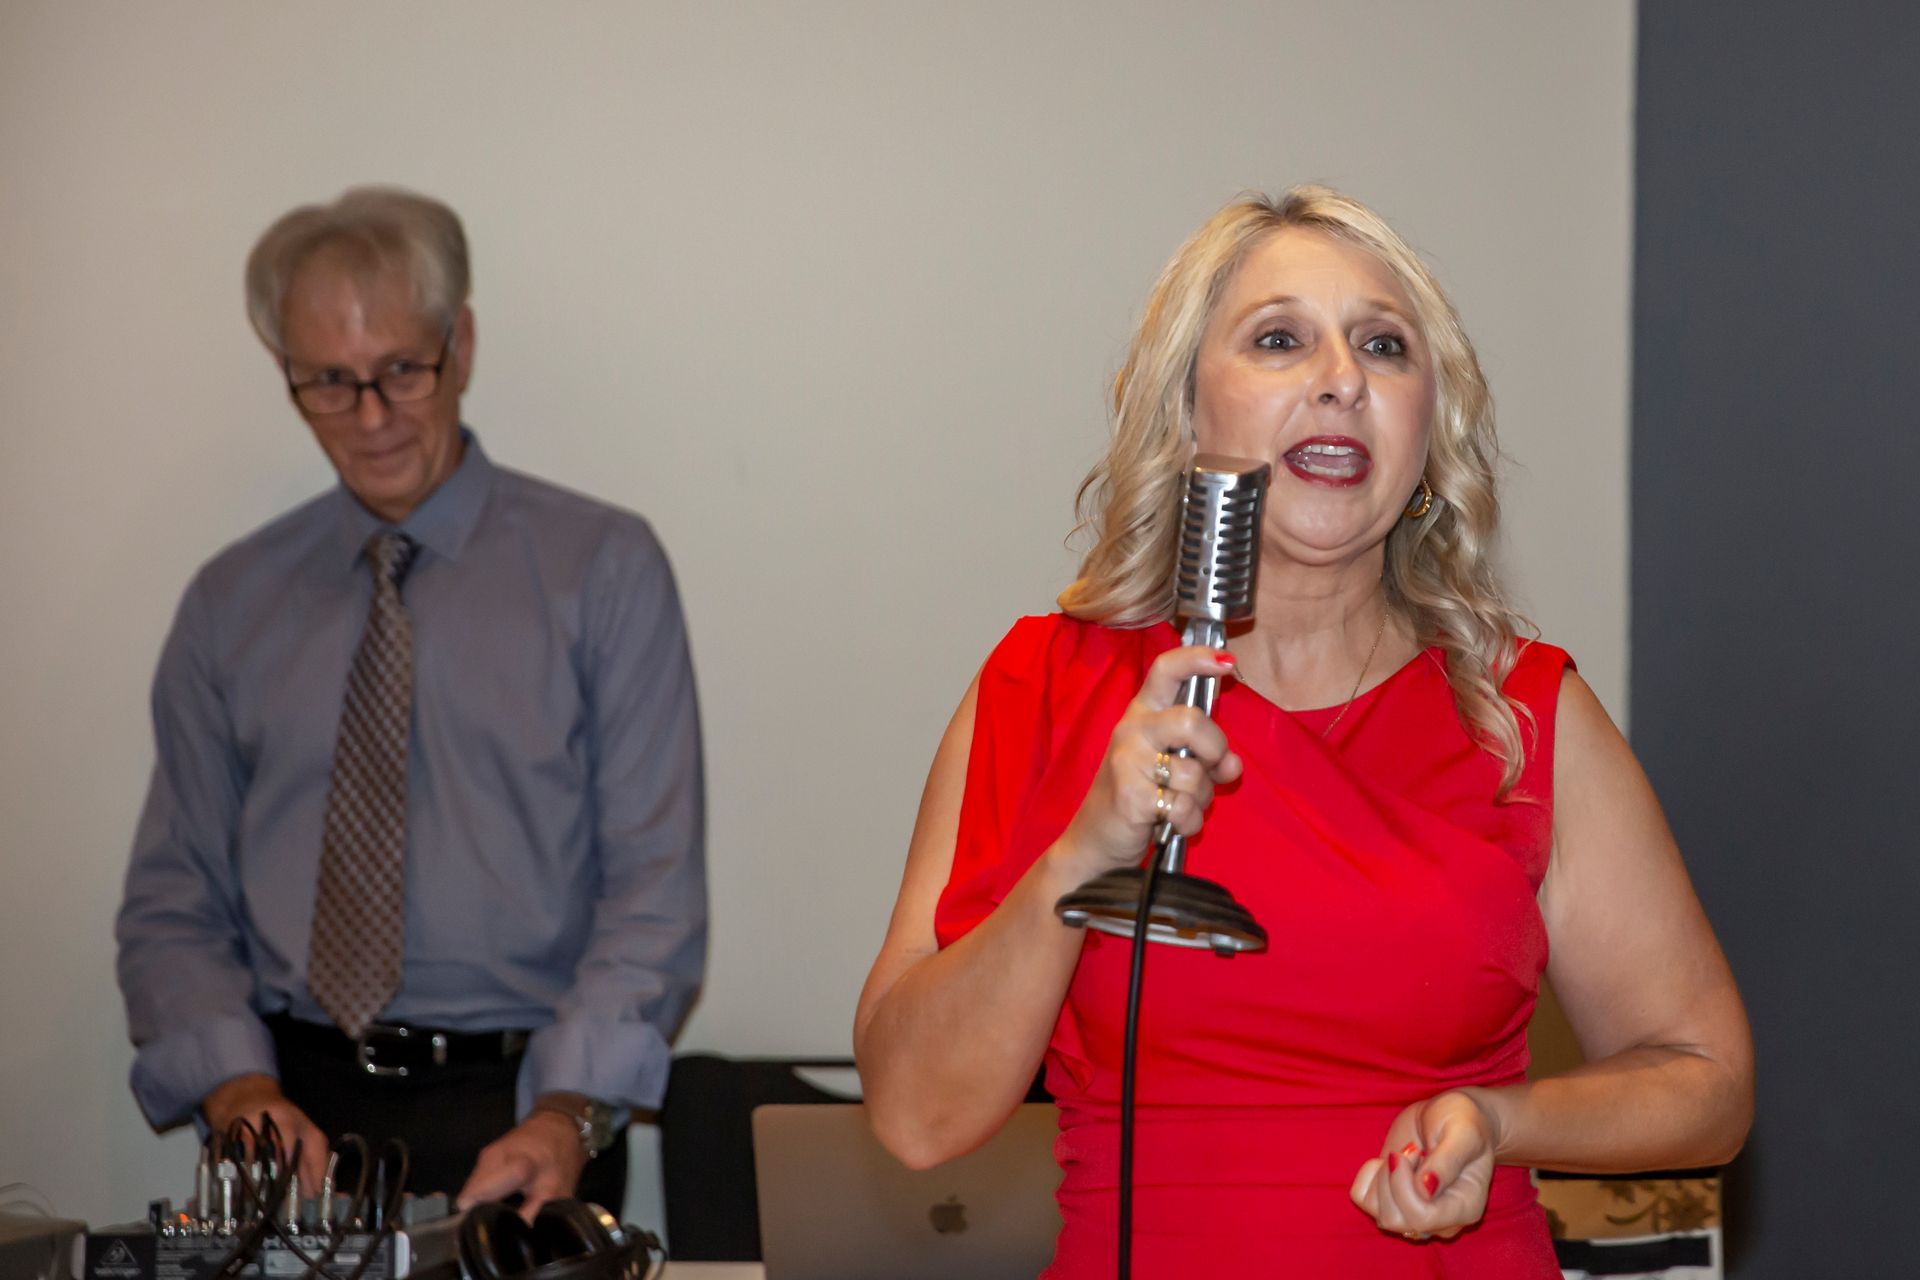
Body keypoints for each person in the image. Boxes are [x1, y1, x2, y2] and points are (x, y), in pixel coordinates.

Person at [853, 186, 1752, 1275]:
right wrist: (1085, 850)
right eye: (1280, 339)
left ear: (1431, 427)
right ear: (1189, 413)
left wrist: (1500, 1119)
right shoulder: (1042, 685)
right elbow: (914, 1115)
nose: (1340, 378)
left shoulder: (1522, 713)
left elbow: (1705, 1077)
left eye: (1383, 346)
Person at [115, 186, 706, 1218]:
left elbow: (652, 890)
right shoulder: (229, 602)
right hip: (286, 1112)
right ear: (288, 376)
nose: (373, 417)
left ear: (461, 343)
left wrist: (569, 1108)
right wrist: (237, 1086)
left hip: (526, 1106)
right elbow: (175, 898)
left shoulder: (603, 570)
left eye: (400, 369)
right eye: (330, 383)